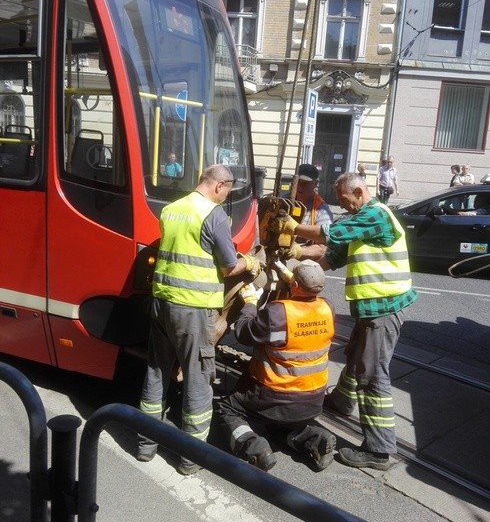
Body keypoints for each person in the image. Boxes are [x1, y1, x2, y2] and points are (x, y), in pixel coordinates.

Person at [270, 172, 417, 471]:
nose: (342, 205)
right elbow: (333, 255)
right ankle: (341, 401)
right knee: (354, 357)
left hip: (384, 308)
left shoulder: (375, 215)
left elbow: (332, 233)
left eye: (344, 200)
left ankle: (379, 450)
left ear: (359, 193)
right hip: (371, 308)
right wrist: (299, 260)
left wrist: (294, 227)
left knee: (373, 375)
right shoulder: (363, 220)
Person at [137, 164, 262, 475]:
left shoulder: (172, 209)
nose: (226, 196)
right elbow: (228, 267)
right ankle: (190, 458)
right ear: (219, 186)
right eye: (228, 191)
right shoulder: (214, 214)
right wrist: (252, 264)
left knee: (156, 373)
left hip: (161, 302)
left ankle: (144, 446)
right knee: (198, 379)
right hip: (192, 309)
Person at [215, 260, 336, 472]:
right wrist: (290, 276)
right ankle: (315, 439)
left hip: (274, 397)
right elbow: (307, 291)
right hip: (313, 400)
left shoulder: (278, 312)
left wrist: (251, 303)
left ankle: (254, 446)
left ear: (295, 285)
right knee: (277, 425)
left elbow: (244, 332)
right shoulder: (328, 308)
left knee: (226, 407)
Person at [288, 163, 333, 260]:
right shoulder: (284, 201)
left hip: (304, 261)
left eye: (305, 184)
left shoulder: (322, 210)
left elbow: (323, 248)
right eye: (298, 182)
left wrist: (296, 251)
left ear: (315, 184)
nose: (300, 187)